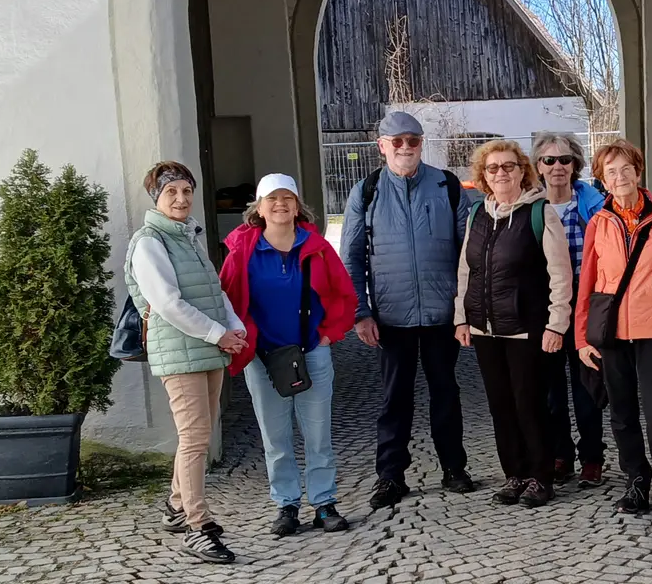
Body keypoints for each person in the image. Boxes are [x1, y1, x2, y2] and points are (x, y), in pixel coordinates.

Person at [340, 111, 474, 510]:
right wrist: (361, 313)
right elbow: (350, 259)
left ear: (421, 144)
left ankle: (454, 467)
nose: (405, 148)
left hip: (441, 314)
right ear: (381, 146)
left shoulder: (447, 186)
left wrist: (464, 310)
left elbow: (469, 254)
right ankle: (390, 475)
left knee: (446, 392)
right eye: (396, 141)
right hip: (391, 317)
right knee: (394, 398)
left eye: (412, 140)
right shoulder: (366, 191)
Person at [219, 174, 358, 537]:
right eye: (272, 199)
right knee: (275, 437)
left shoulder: (317, 248)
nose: (280, 204)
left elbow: (344, 294)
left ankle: (324, 503)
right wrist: (243, 339)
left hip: (311, 351)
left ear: (298, 207)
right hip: (264, 358)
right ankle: (286, 505)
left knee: (318, 434)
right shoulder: (243, 251)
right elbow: (226, 300)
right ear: (259, 208)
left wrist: (328, 335)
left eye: (287, 198)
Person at [124, 161, 245, 564]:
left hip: (206, 347)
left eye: (186, 191)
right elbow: (167, 304)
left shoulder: (188, 237)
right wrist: (218, 333)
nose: (180, 199)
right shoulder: (149, 242)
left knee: (199, 435)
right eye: (171, 192)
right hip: (180, 352)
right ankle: (197, 526)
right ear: (156, 197)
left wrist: (233, 326)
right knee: (194, 439)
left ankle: (177, 507)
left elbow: (214, 291)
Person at [574, 138, 652, 523]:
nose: (620, 176)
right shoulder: (598, 223)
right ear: (603, 180)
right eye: (611, 172)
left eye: (626, 169)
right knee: (622, 414)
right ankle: (636, 481)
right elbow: (587, 283)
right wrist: (581, 338)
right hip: (611, 332)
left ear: (638, 172)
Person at [454, 139, 572, 508]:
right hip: (485, 328)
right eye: (493, 168)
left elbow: (561, 274)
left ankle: (541, 477)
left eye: (509, 166)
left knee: (530, 404)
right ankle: (515, 474)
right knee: (500, 405)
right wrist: (461, 318)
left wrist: (557, 324)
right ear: (483, 176)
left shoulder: (540, 213)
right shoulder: (477, 214)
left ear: (523, 171)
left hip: (526, 326)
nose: (501, 173)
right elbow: (466, 270)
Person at [531, 132, 607, 488]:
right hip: (546, 308)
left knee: (587, 385)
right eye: (549, 160)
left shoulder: (593, 206)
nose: (557, 166)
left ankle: (592, 457)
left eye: (565, 159)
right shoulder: (531, 207)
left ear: (575, 165)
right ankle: (559, 455)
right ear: (538, 166)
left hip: (586, 306)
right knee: (550, 389)